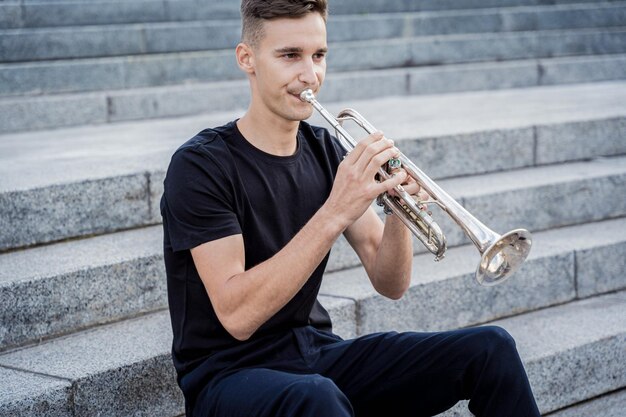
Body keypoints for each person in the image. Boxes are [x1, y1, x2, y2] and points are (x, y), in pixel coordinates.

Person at [160, 1, 541, 416]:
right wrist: (336, 209)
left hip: (312, 353)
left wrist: (398, 209)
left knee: (490, 349)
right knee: (317, 397)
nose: (310, 75)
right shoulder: (201, 165)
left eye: (319, 55)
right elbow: (238, 315)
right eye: (290, 56)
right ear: (246, 59)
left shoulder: (325, 150)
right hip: (226, 375)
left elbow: (389, 282)